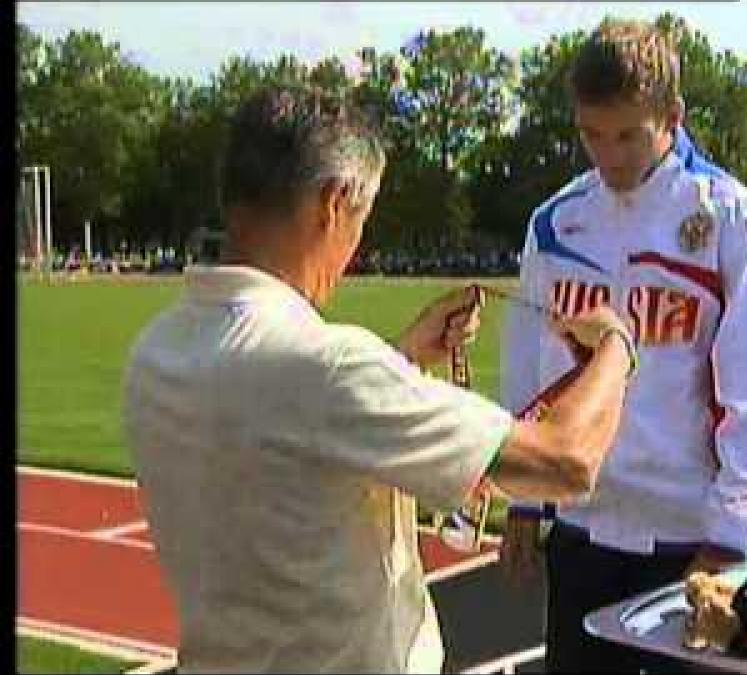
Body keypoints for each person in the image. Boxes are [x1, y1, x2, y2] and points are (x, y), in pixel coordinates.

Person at [122, 86, 639, 674]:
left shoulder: (155, 352)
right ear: (334, 203)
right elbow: (566, 462)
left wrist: (404, 356)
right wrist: (618, 347)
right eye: (361, 220)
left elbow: (286, 436)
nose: (355, 247)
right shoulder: (330, 368)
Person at [498, 19, 747, 673]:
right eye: (590, 134)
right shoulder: (554, 223)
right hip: (582, 530)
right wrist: (523, 491)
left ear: (673, 115)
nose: (609, 157)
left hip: (691, 539)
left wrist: (730, 539)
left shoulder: (736, 222)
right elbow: (528, 363)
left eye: (628, 134)